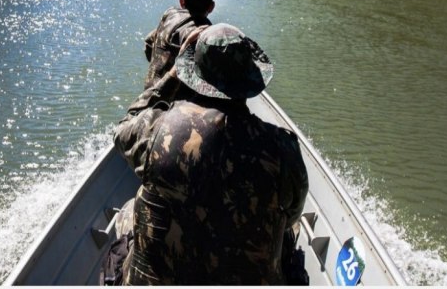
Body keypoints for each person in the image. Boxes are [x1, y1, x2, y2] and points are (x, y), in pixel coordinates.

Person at [114, 23, 309, 285]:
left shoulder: (157, 130)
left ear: (193, 75)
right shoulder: (283, 150)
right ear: (250, 80)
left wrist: (172, 74)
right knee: (289, 232)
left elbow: (125, 127)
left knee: (128, 211)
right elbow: (291, 216)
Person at [143, 0, 217, 90]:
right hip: (173, 103)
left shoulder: (170, 14)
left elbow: (148, 43)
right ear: (211, 7)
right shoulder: (204, 33)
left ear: (182, 1)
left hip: (148, 96)